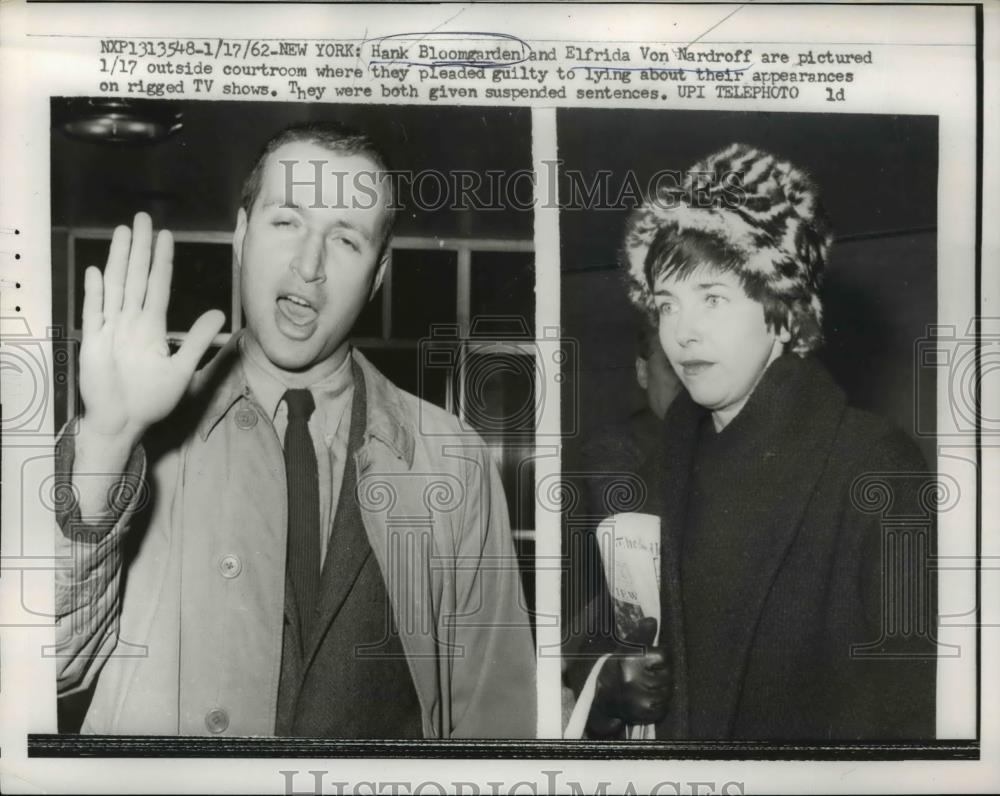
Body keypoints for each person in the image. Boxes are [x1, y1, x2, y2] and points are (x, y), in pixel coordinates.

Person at [53, 121, 536, 738]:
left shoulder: (454, 462)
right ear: (241, 233)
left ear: (379, 274)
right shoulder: (135, 436)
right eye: (286, 222)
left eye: (346, 240)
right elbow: (53, 664)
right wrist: (108, 440)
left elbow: (500, 725)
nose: (309, 265)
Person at [574, 142, 936, 740]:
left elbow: (910, 718)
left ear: (784, 312)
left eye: (712, 299)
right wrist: (607, 687)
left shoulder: (875, 468)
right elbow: (611, 638)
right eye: (667, 306)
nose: (683, 333)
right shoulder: (661, 464)